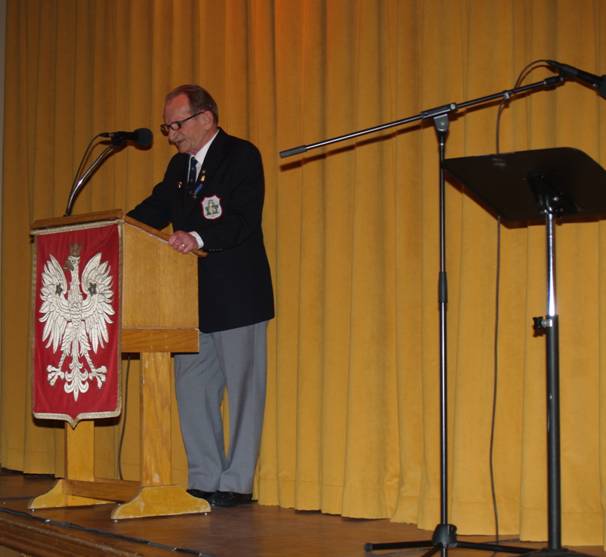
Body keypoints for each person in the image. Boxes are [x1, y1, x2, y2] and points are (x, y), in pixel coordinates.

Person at [128, 84, 274, 507]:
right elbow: (153, 210)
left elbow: (243, 219)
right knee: (193, 389)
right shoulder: (178, 168)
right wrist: (116, 229)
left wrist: (197, 236)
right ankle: (205, 477)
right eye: (167, 127)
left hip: (238, 293)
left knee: (244, 392)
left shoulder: (241, 156)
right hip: (188, 298)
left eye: (176, 125)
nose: (171, 135)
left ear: (206, 118)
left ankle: (236, 483)